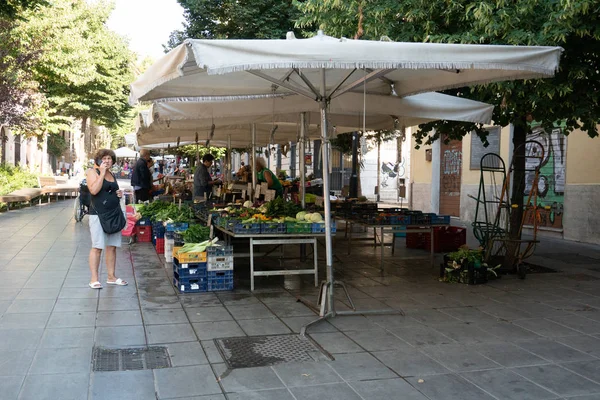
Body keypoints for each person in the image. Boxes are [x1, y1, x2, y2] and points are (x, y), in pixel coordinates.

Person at [86, 149, 127, 289]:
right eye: (104, 158)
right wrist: (102, 173)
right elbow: (94, 190)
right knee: (97, 246)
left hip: (113, 213)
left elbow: (111, 190)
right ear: (98, 160)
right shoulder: (92, 172)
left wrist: (119, 193)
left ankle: (111, 276)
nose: (107, 161)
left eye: (110, 158)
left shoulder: (112, 174)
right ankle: (94, 279)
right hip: (98, 214)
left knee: (112, 247)